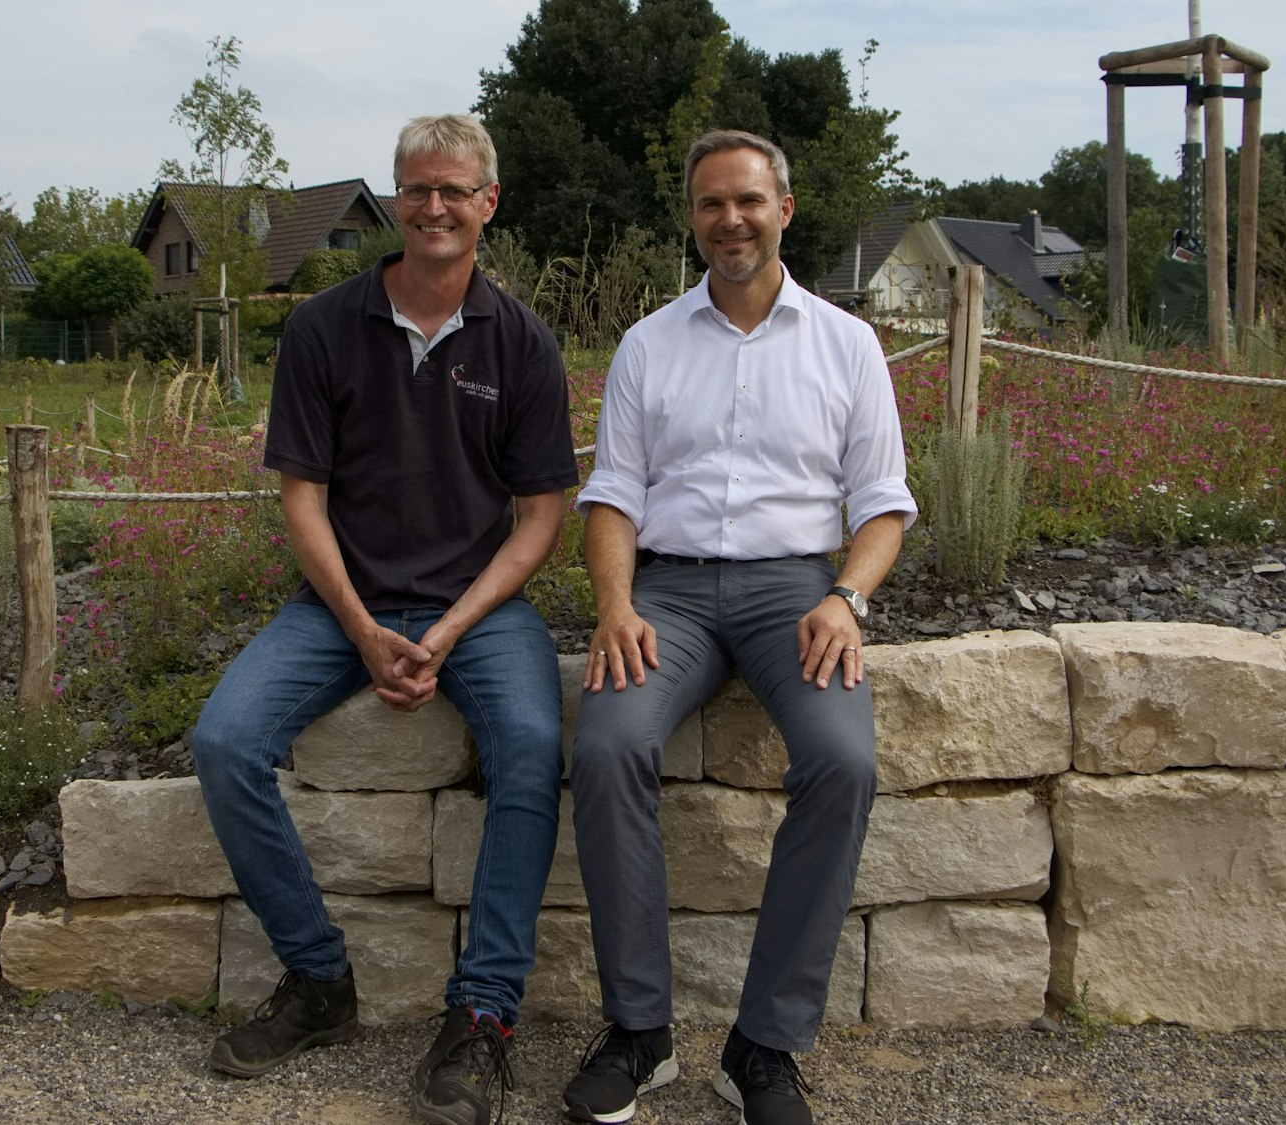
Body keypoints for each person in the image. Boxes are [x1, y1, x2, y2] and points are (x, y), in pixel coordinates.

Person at [190, 113, 576, 1125]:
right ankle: (319, 982)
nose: (434, 207)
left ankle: (481, 1016)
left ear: (488, 203)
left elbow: (540, 519)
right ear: (395, 200)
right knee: (225, 741)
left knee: (532, 746)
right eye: (417, 190)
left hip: (479, 611)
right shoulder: (323, 329)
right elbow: (302, 503)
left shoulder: (524, 343)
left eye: (455, 190)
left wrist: (447, 631)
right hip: (338, 604)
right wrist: (364, 630)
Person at [560, 129, 916, 1125]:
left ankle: (762, 1044)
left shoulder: (845, 344)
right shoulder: (647, 343)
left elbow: (881, 503)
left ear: (783, 210)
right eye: (712, 204)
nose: (731, 220)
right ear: (692, 217)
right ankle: (639, 1032)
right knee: (606, 745)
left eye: (748, 202)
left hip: (793, 593)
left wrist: (845, 599)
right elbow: (613, 497)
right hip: (666, 592)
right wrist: (615, 606)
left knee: (842, 763)